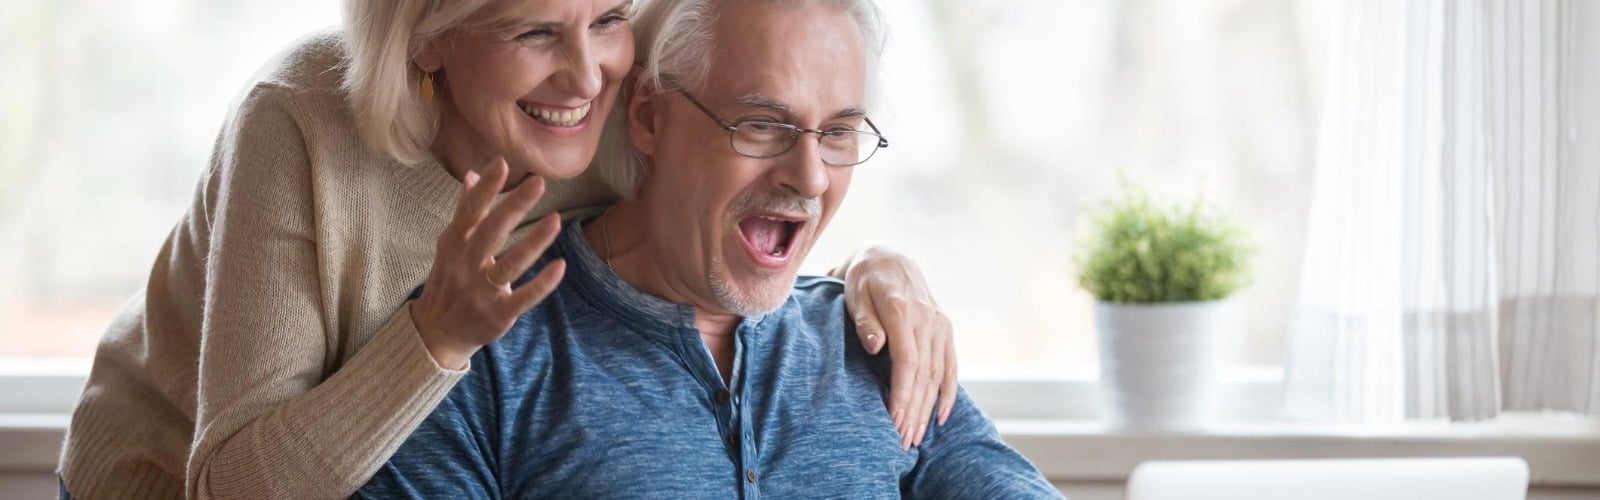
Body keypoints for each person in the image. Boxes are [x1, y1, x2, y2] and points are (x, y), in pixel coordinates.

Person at [56, 1, 962, 498]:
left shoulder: (609, 115)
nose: (587, 76)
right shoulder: (299, 126)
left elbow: (739, 197)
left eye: (608, 16)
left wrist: (872, 271)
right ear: (431, 39)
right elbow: (231, 486)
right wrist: (436, 342)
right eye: (535, 31)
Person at [356, 0, 1062, 497]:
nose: (810, 176)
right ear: (648, 115)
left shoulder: (875, 346)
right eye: (761, 125)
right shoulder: (481, 353)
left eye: (839, 133)